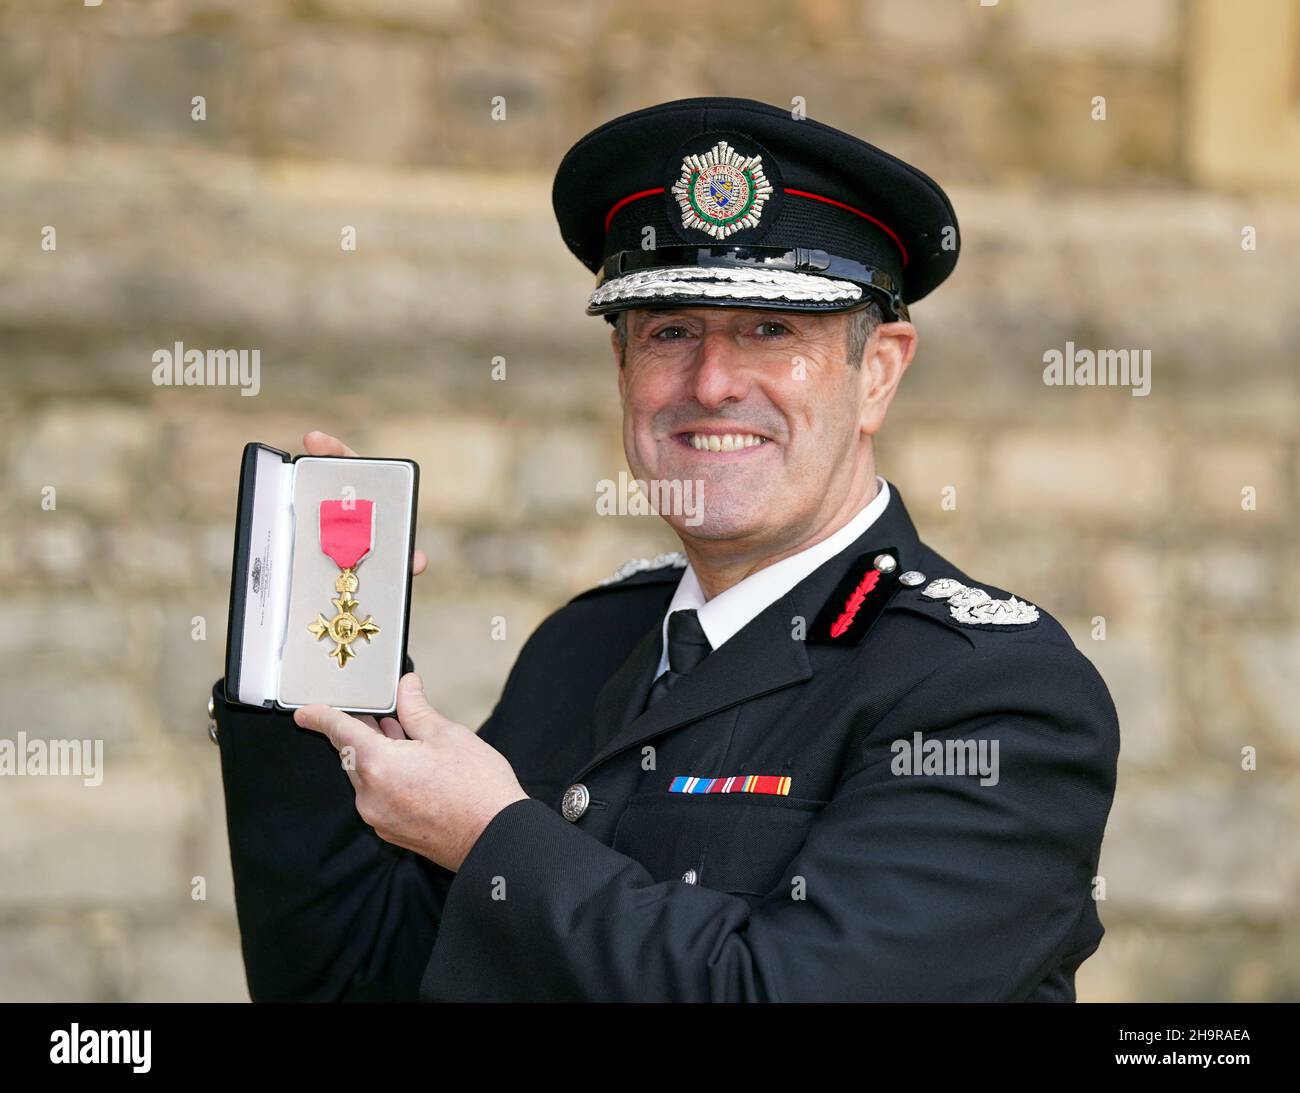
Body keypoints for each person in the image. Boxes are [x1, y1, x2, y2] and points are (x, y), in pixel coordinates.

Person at [210, 97, 1119, 1002]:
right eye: (671, 332)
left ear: (876, 370)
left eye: (772, 331)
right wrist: (312, 649)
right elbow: (353, 985)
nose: (713, 384)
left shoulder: (993, 694)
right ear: (622, 372)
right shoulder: (587, 647)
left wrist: (493, 835)